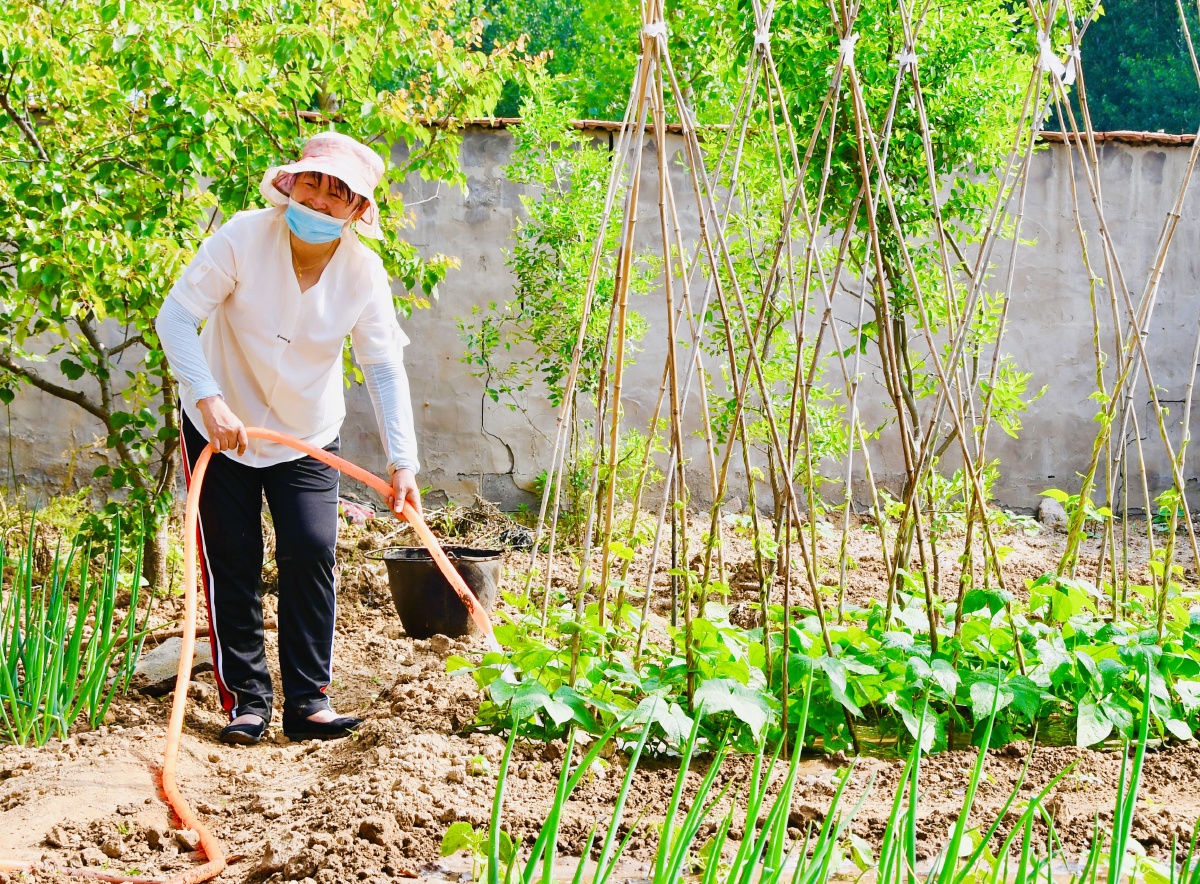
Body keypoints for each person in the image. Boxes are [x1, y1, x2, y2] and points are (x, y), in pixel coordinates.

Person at [155, 131, 422, 745]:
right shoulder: (245, 237)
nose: (322, 203)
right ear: (290, 185)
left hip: (306, 434)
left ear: (358, 211)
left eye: (340, 195)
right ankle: (247, 702)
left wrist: (402, 461)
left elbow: (383, 366)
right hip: (219, 426)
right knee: (233, 560)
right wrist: (207, 398)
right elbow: (176, 317)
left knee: (310, 551)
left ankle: (308, 702)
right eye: (313, 184)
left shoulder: (362, 272)